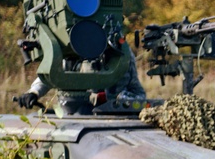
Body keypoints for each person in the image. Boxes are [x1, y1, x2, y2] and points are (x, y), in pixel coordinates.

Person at [16, 44, 147, 111]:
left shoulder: (122, 53)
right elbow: (51, 73)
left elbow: (137, 92)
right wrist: (33, 93)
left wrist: (121, 100)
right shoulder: (72, 51)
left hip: (112, 115)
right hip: (75, 112)